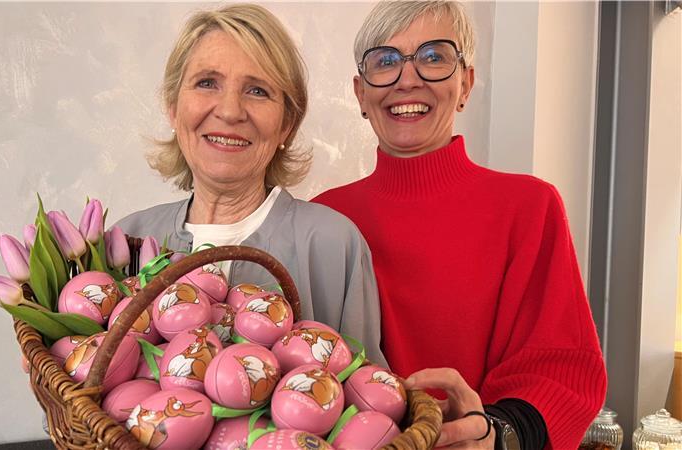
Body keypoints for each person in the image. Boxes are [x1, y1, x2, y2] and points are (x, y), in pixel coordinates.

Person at [312, 1, 607, 449]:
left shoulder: (528, 207)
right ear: (360, 93)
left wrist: (495, 432)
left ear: (465, 83)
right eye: (385, 61)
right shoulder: (323, 219)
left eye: (433, 57)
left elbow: (560, 368)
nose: (407, 79)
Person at [115, 3, 385, 365]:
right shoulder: (126, 240)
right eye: (207, 83)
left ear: (286, 124)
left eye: (257, 91)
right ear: (173, 107)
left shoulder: (331, 244)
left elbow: (369, 400)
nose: (229, 111)